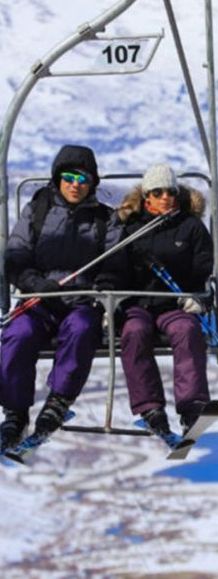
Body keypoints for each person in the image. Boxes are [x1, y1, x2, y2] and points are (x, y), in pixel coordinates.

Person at [0, 144, 124, 450]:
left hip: (81, 299)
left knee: (82, 330)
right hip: (41, 298)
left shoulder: (104, 219)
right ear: (58, 179)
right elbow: (16, 255)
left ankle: (58, 401)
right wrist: (34, 282)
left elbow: (115, 262)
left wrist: (101, 286)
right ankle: (15, 414)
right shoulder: (37, 211)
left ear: (92, 183)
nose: (75, 185)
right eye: (69, 177)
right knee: (18, 334)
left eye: (83, 179)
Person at [118, 163, 215, 437]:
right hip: (138, 304)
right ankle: (150, 408)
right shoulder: (131, 228)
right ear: (146, 196)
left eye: (170, 192)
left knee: (186, 330)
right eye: (157, 192)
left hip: (175, 303)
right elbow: (115, 268)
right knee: (134, 332)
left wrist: (198, 297)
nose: (165, 198)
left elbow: (202, 267)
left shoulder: (190, 227)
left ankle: (192, 407)